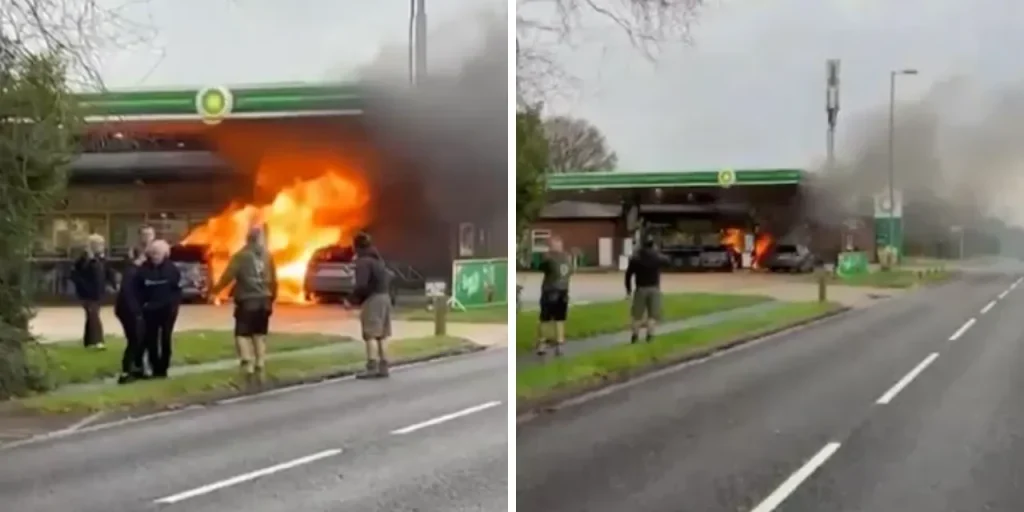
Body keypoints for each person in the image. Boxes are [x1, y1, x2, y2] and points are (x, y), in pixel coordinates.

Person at [208, 226, 278, 385]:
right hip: (264, 300)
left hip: (248, 300)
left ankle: (247, 363)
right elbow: (274, 279)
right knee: (259, 334)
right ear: (260, 239)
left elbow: (228, 275)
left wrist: (215, 291)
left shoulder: (241, 256)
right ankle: (260, 362)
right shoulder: (268, 256)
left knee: (242, 334)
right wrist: (272, 297)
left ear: (247, 239)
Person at [132, 240, 182, 379]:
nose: (155, 256)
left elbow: (177, 290)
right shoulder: (143, 270)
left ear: (165, 254)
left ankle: (163, 368)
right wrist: (142, 305)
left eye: (158, 253)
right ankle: (154, 366)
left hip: (167, 309)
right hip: (150, 309)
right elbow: (137, 289)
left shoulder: (171, 269)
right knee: (151, 339)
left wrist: (173, 305)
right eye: (153, 253)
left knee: (165, 338)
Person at [351, 232, 393, 379]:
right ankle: (384, 366)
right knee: (382, 335)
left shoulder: (363, 262)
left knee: (370, 335)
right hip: (385, 297)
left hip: (373, 299)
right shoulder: (378, 260)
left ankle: (371, 367)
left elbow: (362, 284)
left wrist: (353, 299)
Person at [70, 234, 116, 350]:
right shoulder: (83, 259)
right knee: (93, 315)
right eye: (97, 244)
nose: (101, 246)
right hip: (87, 293)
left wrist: (112, 284)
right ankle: (98, 341)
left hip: (98, 292)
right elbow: (75, 274)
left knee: (91, 316)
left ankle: (89, 341)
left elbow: (108, 272)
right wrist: (82, 285)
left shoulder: (101, 258)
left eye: (101, 244)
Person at [115, 239, 148, 384]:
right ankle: (126, 371)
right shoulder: (132, 271)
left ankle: (137, 368)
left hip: (129, 310)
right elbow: (128, 293)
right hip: (129, 311)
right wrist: (136, 312)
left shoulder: (133, 270)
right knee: (135, 340)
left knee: (140, 340)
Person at [625, 237, 670, 343]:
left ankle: (635, 336)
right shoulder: (657, 257)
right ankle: (649, 336)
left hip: (640, 288)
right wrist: (657, 252)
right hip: (654, 288)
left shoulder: (636, 259)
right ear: (653, 245)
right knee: (652, 315)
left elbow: (628, 275)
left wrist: (628, 289)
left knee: (637, 315)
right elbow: (668, 262)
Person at [535, 236, 573, 357]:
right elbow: (571, 272)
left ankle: (542, 344)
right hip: (563, 291)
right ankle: (559, 344)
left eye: (551, 245)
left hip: (550, 291)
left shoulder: (549, 259)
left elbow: (539, 267)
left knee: (544, 319)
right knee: (560, 319)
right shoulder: (567, 258)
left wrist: (544, 256)